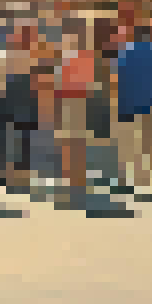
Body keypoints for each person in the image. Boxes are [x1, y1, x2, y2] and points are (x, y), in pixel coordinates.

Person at [114, 25, 152, 192]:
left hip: (129, 101)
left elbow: (119, 76)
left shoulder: (126, 51)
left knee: (129, 142)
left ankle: (127, 175)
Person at [52, 28, 96, 208]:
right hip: (77, 101)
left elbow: (62, 82)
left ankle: (74, 185)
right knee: (75, 143)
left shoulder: (74, 58)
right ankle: (76, 184)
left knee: (72, 143)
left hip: (72, 102)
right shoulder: (85, 58)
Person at [0, 25, 43, 192]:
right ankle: (13, 173)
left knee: (16, 134)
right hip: (21, 92)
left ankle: (10, 173)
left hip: (19, 91)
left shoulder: (13, 53)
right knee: (19, 134)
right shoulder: (34, 53)